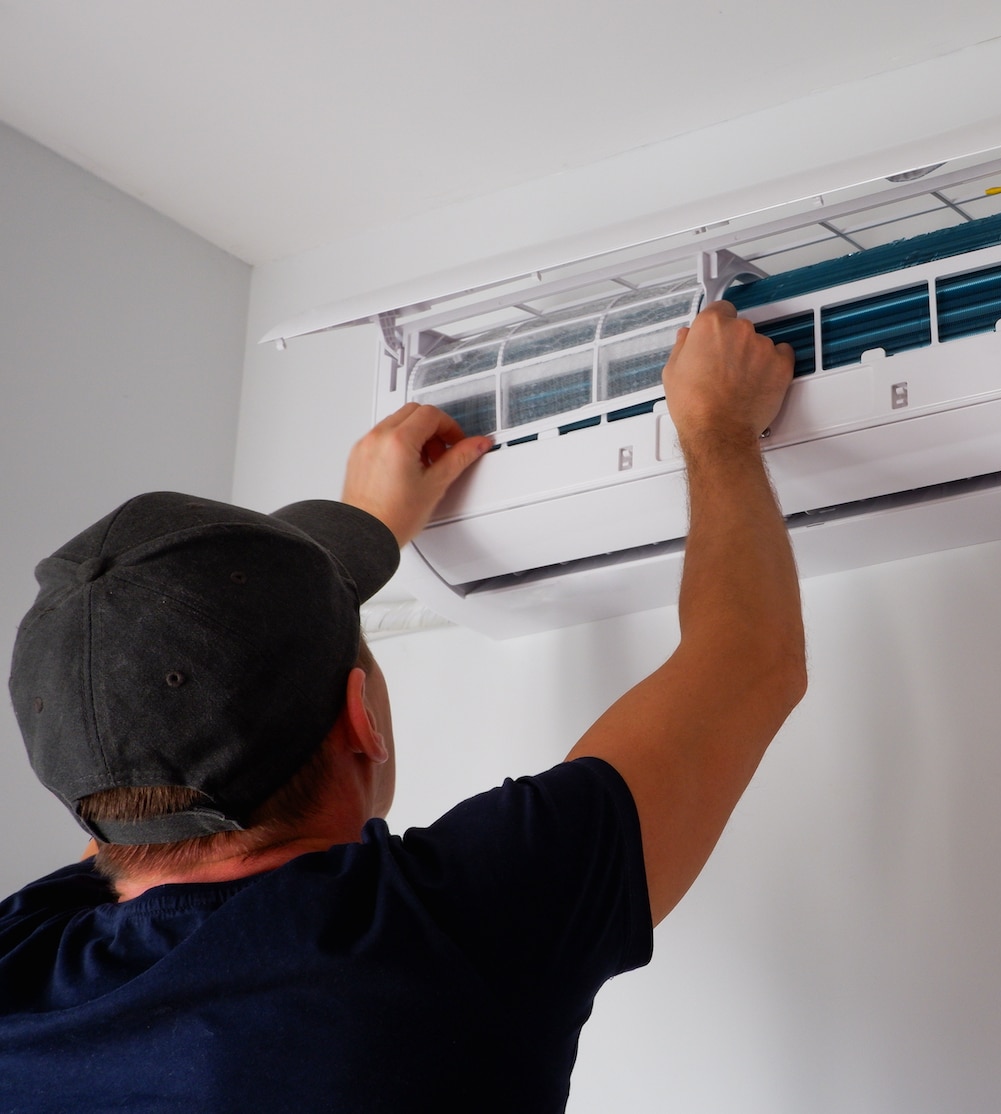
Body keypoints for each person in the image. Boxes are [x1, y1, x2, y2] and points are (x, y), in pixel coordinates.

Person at [0, 303, 805, 1111]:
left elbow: (147, 791)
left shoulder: (21, 973)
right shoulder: (445, 935)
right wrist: (718, 425)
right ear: (363, 720)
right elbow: (747, 659)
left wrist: (353, 543)